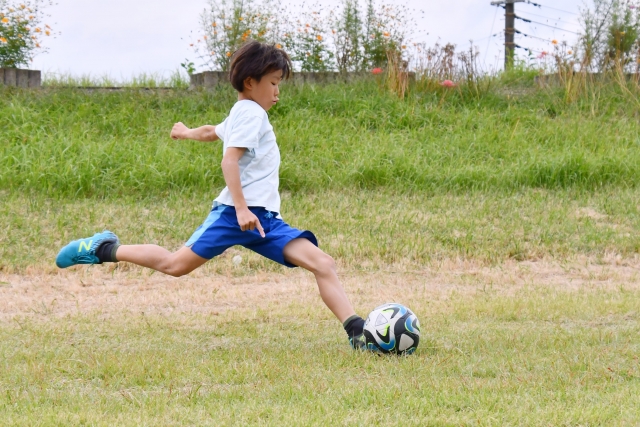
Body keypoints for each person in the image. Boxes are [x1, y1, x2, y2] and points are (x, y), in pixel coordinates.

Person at [55, 40, 369, 350]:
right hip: (236, 215)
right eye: (273, 83)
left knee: (322, 263)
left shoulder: (242, 113)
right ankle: (103, 247)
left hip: (264, 221)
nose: (277, 92)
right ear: (250, 82)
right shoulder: (251, 115)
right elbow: (228, 160)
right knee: (174, 265)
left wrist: (184, 132)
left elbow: (211, 132)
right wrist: (243, 209)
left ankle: (358, 333)